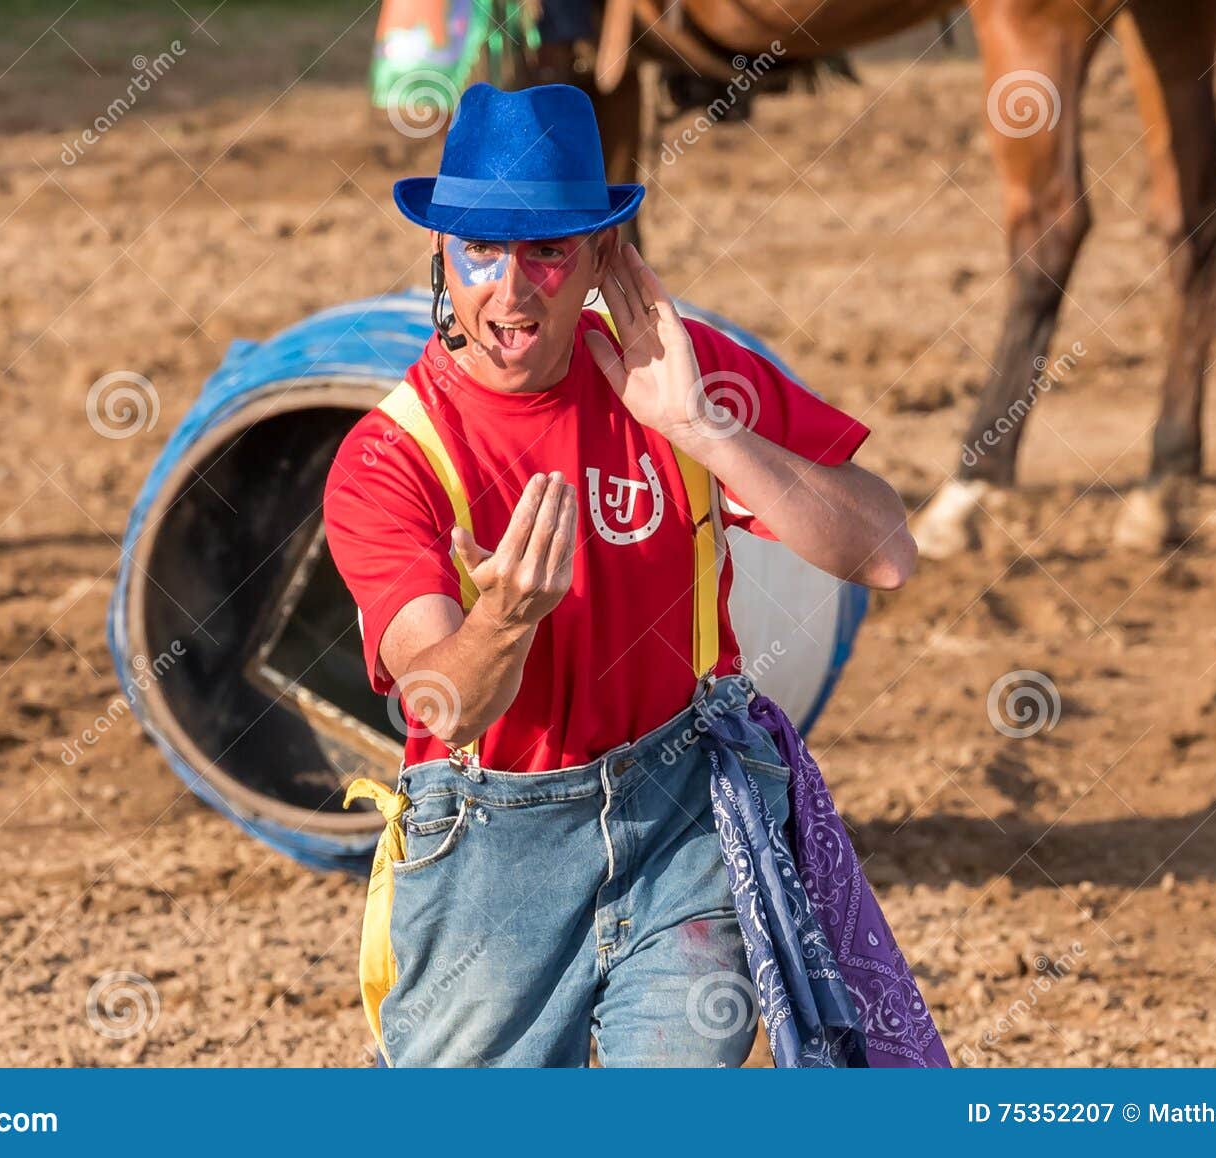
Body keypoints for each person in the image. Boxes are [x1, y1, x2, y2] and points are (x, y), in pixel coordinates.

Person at [323, 82, 916, 1067]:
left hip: (683, 824)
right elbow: (443, 705)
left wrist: (702, 429)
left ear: (603, 256)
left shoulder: (674, 374)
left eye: (548, 252)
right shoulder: (390, 458)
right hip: (487, 848)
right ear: (440, 252)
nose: (511, 291)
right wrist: (505, 620)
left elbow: (885, 551)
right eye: (481, 251)